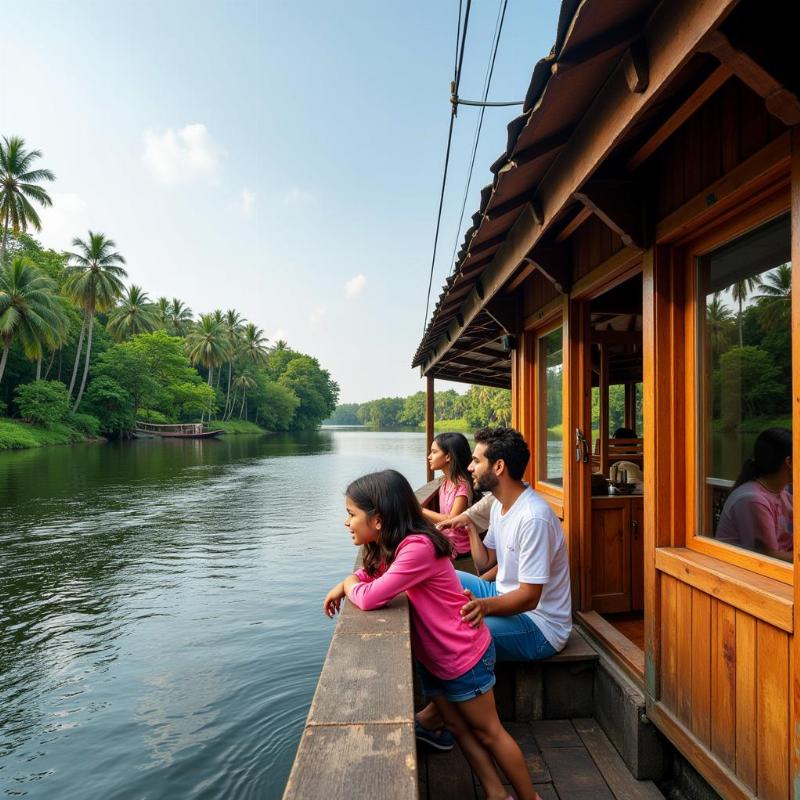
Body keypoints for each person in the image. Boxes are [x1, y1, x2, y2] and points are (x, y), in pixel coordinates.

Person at [323, 469, 541, 800]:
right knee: (456, 728)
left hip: (463, 656)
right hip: (437, 658)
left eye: (352, 514)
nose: (346, 522)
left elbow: (369, 596)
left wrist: (348, 585)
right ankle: (497, 794)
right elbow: (374, 574)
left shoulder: (417, 548)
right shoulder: (398, 544)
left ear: (378, 519)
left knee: (489, 732)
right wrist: (348, 581)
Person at [417, 427, 572, 748]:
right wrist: (470, 528)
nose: (470, 467)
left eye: (476, 461)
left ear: (498, 467)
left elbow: (530, 597)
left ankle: (435, 717)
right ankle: (442, 710)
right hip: (502, 594)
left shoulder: (534, 518)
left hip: (541, 626)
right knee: (436, 575)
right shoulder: (501, 506)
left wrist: (481, 607)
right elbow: (487, 563)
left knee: (449, 631)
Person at [715, 427, 793, 561]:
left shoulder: (783, 492)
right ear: (789, 462)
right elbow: (768, 558)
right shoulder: (752, 500)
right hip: (739, 574)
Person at [421, 432, 480, 560]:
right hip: (446, 540)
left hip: (459, 547)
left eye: (434, 452)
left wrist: (420, 510)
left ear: (448, 456)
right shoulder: (445, 483)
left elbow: (451, 519)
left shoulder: (462, 485)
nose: (429, 457)